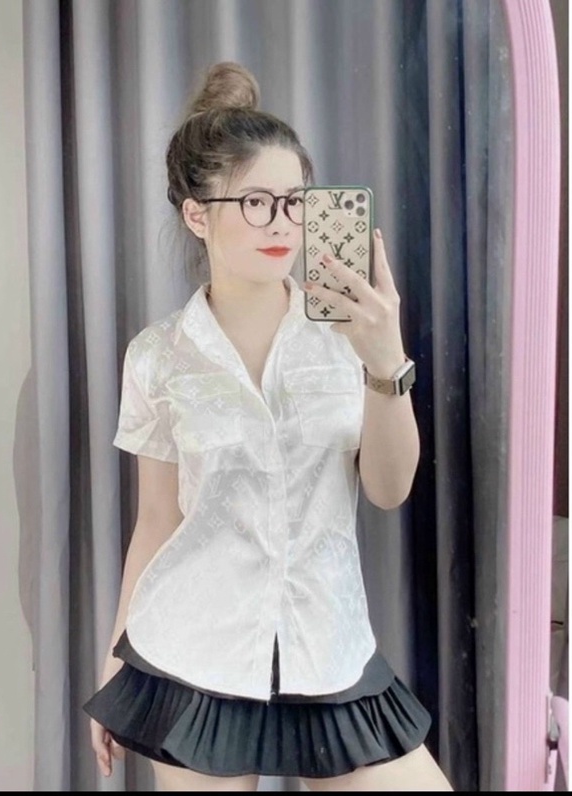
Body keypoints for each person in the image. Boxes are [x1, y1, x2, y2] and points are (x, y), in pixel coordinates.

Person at [83, 62, 453, 792]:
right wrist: (115, 662)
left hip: (329, 645)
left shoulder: (349, 336)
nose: (283, 222)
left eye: (294, 201)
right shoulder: (157, 356)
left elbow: (388, 489)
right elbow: (157, 521)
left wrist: (387, 361)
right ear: (198, 215)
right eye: (256, 201)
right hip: (190, 656)